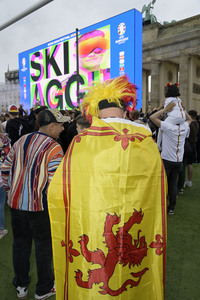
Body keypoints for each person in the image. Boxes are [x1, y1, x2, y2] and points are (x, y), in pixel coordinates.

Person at [48, 75, 167, 300]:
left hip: (94, 221)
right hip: (134, 219)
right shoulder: (145, 140)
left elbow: (59, 188)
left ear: (95, 114)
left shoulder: (81, 142)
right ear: (125, 111)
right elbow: (158, 186)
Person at [2, 108, 69, 300]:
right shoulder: (54, 147)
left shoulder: (21, 141)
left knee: (20, 245)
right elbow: (55, 183)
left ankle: (21, 285)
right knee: (43, 247)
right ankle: (43, 288)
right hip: (39, 207)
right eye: (61, 125)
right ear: (52, 125)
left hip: (16, 205)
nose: (63, 129)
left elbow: (5, 168)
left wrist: (10, 191)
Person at [150, 102, 191, 215]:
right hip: (178, 161)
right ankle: (171, 208)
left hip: (167, 160)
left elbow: (152, 117)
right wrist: (183, 110)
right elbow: (190, 120)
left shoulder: (168, 127)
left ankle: (160, 207)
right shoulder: (184, 127)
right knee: (172, 185)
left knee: (162, 184)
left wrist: (164, 109)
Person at [0, 124, 10, 239]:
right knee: (1, 203)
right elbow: (9, 158)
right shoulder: (5, 140)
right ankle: (1, 229)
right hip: (2, 174)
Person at [184, 109, 199, 187]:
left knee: (185, 164)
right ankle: (189, 180)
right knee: (190, 164)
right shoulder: (196, 124)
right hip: (193, 145)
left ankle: (184, 181)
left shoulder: (190, 124)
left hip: (189, 144)